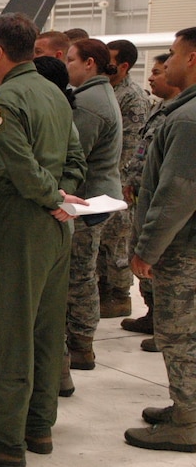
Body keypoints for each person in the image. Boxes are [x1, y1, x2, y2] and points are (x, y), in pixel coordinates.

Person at [0, 13, 86, 467]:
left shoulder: (3, 100)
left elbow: (18, 165)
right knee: (46, 329)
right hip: (54, 225)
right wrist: (63, 198)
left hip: (18, 223)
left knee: (6, 331)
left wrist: (50, 196)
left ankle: (3, 440)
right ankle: (37, 425)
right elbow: (74, 156)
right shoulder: (54, 92)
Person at [125, 26, 196, 453]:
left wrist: (147, 248)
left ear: (191, 58)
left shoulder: (187, 119)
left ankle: (187, 421)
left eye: (171, 54)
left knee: (179, 334)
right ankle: (187, 406)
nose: (164, 63)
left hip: (184, 247)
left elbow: (177, 192)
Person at [64, 38, 123, 376]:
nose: (68, 65)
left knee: (79, 273)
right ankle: (82, 339)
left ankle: (81, 341)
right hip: (97, 196)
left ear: (90, 64)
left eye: (72, 59)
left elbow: (75, 155)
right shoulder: (99, 95)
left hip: (86, 200)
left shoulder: (88, 103)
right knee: (83, 271)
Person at [121, 54, 178, 346]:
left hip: (161, 201)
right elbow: (142, 149)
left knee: (160, 263)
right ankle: (152, 314)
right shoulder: (160, 109)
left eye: (159, 71)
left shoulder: (180, 116)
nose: (153, 77)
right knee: (141, 257)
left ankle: (165, 328)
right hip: (143, 195)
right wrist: (132, 180)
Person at [97, 39, 150, 318]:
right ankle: (103, 290)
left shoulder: (133, 98)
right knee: (102, 241)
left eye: (111, 61)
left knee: (117, 242)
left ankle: (119, 296)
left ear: (124, 66)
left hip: (119, 181)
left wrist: (119, 183)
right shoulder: (106, 90)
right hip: (105, 180)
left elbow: (131, 147)